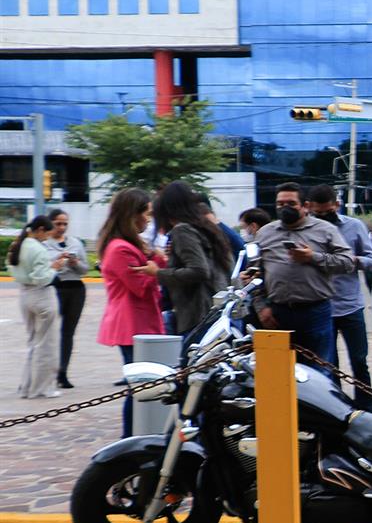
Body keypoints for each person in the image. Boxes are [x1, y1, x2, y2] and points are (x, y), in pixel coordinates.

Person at [255, 182, 356, 369]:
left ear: (305, 206)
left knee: (319, 371)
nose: (285, 208)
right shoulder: (265, 233)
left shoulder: (325, 230)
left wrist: (313, 257)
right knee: (279, 371)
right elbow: (254, 275)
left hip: (315, 311)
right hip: (278, 313)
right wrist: (261, 307)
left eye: (291, 203)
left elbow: (347, 262)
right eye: (280, 204)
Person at [96, 189, 162, 433]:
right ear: (133, 215)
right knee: (140, 388)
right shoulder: (120, 248)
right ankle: (130, 435)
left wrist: (154, 261)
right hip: (133, 323)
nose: (149, 220)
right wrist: (155, 271)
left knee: (144, 386)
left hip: (140, 321)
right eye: (147, 214)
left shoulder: (128, 245)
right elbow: (140, 287)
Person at [303, 185, 372, 400]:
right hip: (320, 306)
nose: (325, 216)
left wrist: (354, 261)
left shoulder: (354, 226)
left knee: (359, 360)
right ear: (309, 208)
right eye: (319, 213)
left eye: (329, 211)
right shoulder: (304, 230)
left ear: (337, 204)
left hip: (350, 305)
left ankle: (366, 407)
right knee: (328, 365)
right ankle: (337, 407)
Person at [153, 180, 235, 338]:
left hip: (197, 314)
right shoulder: (207, 227)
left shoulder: (182, 230)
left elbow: (198, 270)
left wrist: (158, 273)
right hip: (216, 311)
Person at [11, 214, 60, 399]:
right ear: (40, 230)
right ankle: (42, 388)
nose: (47, 238)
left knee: (32, 342)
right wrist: (54, 267)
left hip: (24, 295)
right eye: (47, 234)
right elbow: (42, 278)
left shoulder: (18, 244)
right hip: (41, 296)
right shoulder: (38, 249)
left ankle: (27, 386)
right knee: (46, 344)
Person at [44, 209, 88, 389]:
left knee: (68, 332)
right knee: (50, 332)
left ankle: (63, 371)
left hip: (75, 288)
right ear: (50, 224)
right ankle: (47, 372)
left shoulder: (75, 243)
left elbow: (84, 269)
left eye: (65, 224)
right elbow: (42, 268)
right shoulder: (44, 244)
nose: (62, 227)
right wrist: (58, 261)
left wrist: (74, 262)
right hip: (55, 288)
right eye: (58, 224)